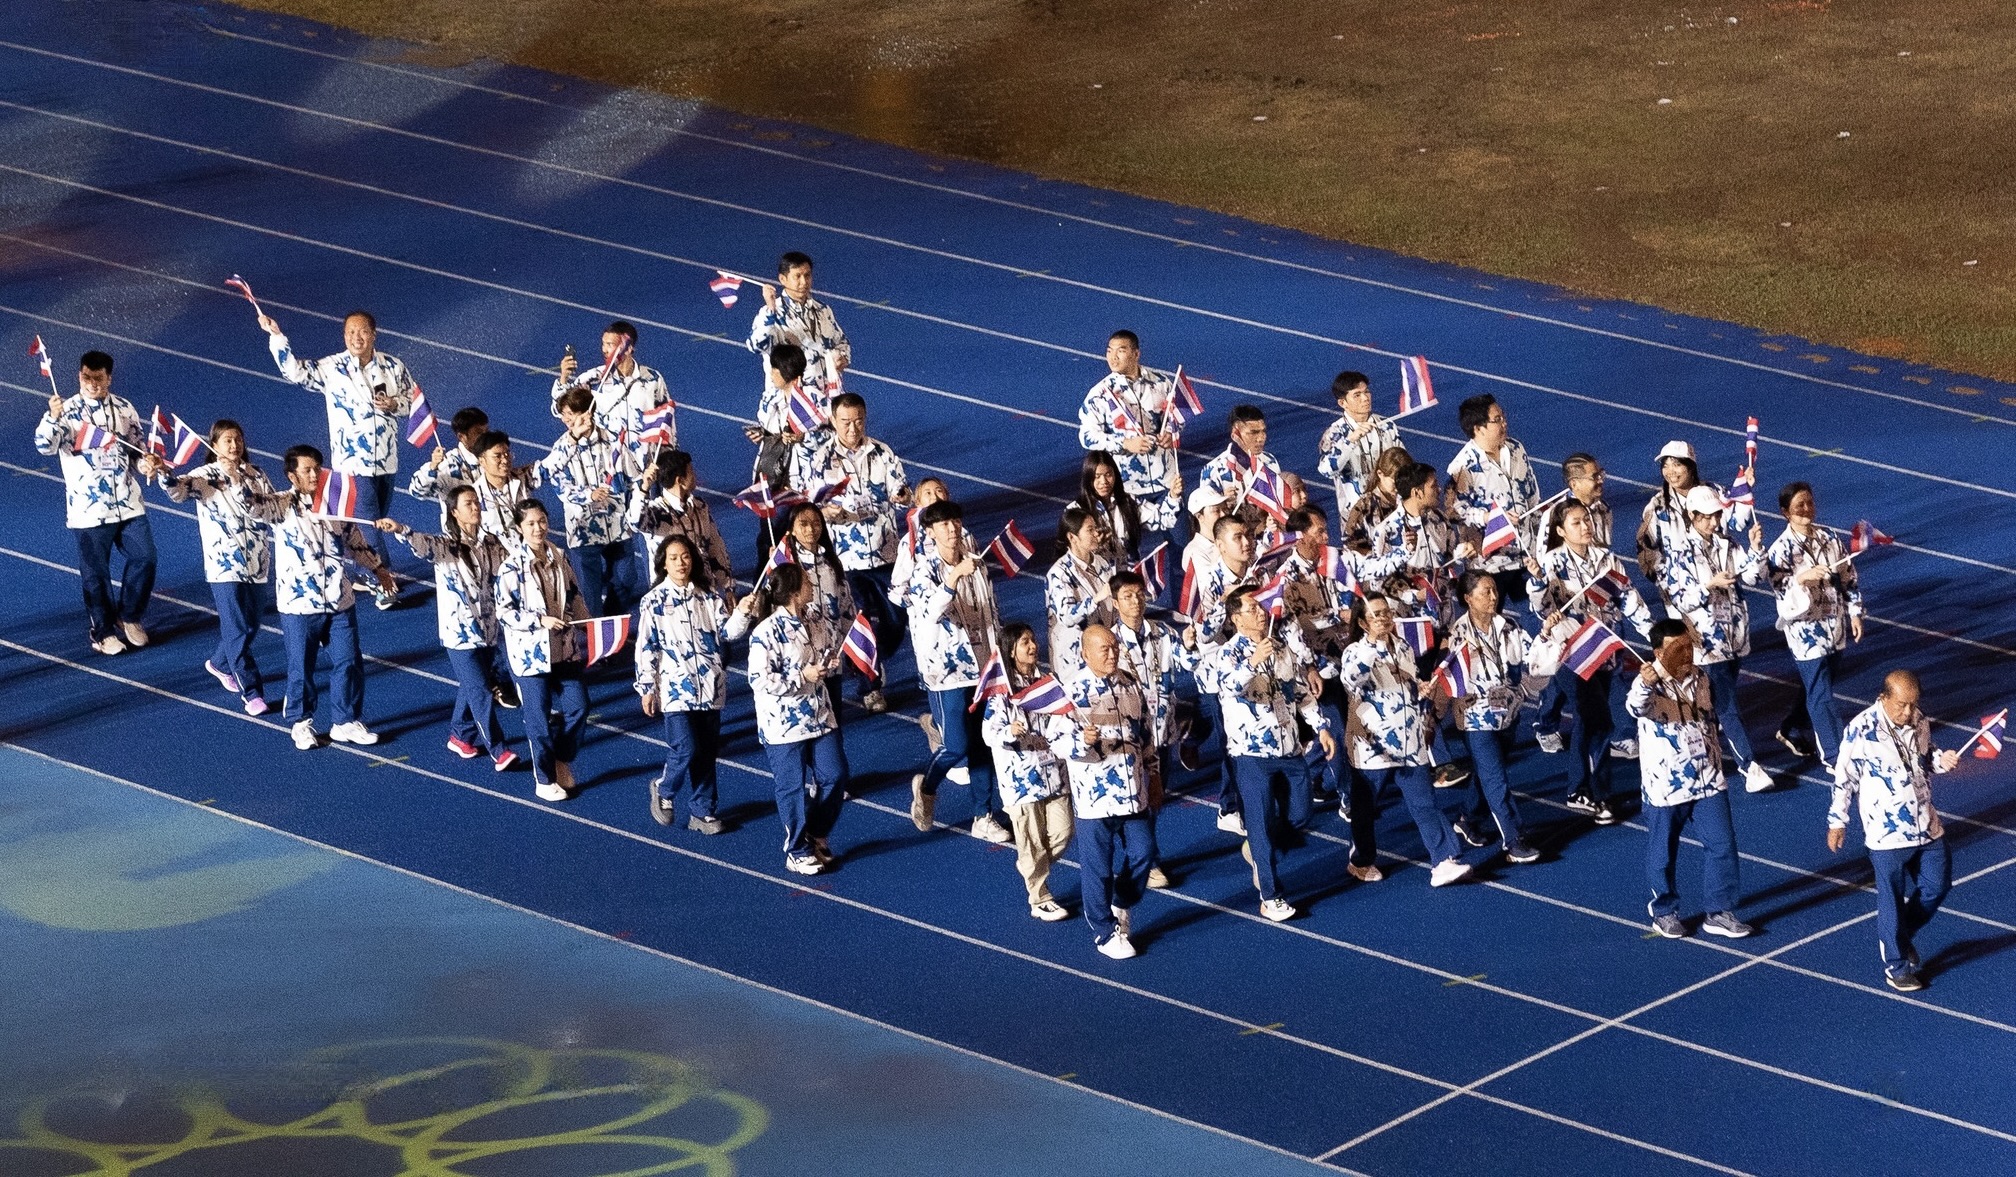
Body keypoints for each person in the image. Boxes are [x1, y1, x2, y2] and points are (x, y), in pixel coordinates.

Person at [1200, 586, 1337, 921]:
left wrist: (1320, 726)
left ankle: (1260, 851)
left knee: (1301, 815)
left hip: (1288, 748)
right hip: (1250, 753)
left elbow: (1299, 692)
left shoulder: (1281, 648)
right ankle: (1271, 895)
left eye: (1260, 606)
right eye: (1251, 608)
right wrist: (1252, 662)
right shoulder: (1226, 654)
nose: (1260, 612)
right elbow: (1226, 686)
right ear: (1235, 618)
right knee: (1260, 823)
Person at [247, 444, 394, 750]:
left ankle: (346, 721)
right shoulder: (282, 505)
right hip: (300, 605)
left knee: (349, 661)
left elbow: (354, 540)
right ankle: (301, 723)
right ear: (292, 475)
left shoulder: (335, 502)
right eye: (307, 470)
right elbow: (253, 506)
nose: (314, 474)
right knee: (302, 666)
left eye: (317, 468)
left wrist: (379, 568)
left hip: (340, 599)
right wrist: (238, 478)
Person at [259, 308, 412, 593]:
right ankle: (384, 581)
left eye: (363, 331)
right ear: (344, 336)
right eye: (351, 332)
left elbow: (412, 401)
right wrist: (276, 336)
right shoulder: (332, 368)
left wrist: (394, 405)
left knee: (372, 525)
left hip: (387, 462)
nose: (357, 337)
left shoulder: (393, 367)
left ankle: (362, 571)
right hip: (353, 465)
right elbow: (294, 372)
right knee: (370, 524)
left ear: (374, 334)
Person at [1827, 670, 1959, 991]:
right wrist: (1837, 820)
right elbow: (1845, 778)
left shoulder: (1919, 720)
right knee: (1891, 900)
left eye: (1914, 705)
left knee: (1937, 885)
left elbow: (1926, 759)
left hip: (1926, 824)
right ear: (1884, 697)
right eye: (1902, 705)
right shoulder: (1860, 730)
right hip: (1887, 834)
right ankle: (1896, 966)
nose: (1909, 713)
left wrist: (1944, 760)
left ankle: (1901, 935)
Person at [1524, 500, 1654, 822]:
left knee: (1588, 719)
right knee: (1599, 719)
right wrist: (1540, 582)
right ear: (1559, 531)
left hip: (1606, 651)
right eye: (1576, 523)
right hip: (1573, 652)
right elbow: (1540, 607)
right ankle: (1599, 793)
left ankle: (1578, 789)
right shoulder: (1550, 563)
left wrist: (1654, 634)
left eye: (1586, 520)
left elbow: (1630, 599)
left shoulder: (1607, 560)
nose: (1585, 527)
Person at [1336, 592, 1473, 887]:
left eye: (1386, 612)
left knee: (1425, 803)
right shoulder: (1355, 652)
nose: (1384, 618)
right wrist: (1374, 647)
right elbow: (1350, 680)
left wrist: (1418, 690)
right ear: (1362, 622)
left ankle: (1443, 861)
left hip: (1409, 740)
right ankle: (1360, 860)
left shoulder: (1403, 647)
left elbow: (1406, 684)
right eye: (1375, 614)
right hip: (1373, 746)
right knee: (1365, 807)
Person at [376, 486, 517, 771]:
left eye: (477, 502)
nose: (476, 507)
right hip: (461, 633)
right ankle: (499, 750)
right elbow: (421, 543)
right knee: (481, 691)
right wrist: (401, 529)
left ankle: (460, 735)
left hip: (489, 627)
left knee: (472, 685)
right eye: (468, 503)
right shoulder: (447, 546)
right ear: (454, 512)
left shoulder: (492, 543)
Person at [1629, 620, 1753, 941]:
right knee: (1663, 853)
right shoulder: (1648, 686)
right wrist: (1644, 683)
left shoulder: (1701, 677)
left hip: (1708, 778)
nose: (1686, 653)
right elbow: (1636, 706)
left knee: (1722, 844)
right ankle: (1665, 911)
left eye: (1688, 645)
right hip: (1666, 786)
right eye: (1677, 648)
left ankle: (1719, 911)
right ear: (1659, 653)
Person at [789, 391, 911, 710]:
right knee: (859, 624)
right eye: (845, 422)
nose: (853, 429)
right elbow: (806, 504)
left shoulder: (883, 453)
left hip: (885, 553)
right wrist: (822, 512)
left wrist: (903, 497)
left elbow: (901, 490)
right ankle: (870, 686)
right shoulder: (820, 460)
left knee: (896, 620)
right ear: (833, 421)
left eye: (858, 421)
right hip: (844, 559)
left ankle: (871, 658)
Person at [34, 349, 158, 654]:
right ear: (79, 375)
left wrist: (146, 463)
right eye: (87, 377)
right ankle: (102, 632)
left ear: (109, 378)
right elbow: (43, 446)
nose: (92, 384)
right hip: (89, 510)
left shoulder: (125, 409)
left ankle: (129, 616)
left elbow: (138, 450)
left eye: (98, 378)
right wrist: (51, 417)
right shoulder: (66, 411)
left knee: (146, 558)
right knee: (96, 575)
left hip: (128, 502)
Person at [902, 499, 1009, 843]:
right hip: (946, 670)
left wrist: (999, 653)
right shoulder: (924, 570)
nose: (951, 530)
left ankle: (983, 814)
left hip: (983, 665)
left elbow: (990, 608)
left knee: (983, 743)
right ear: (930, 533)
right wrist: (951, 579)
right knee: (957, 744)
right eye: (943, 525)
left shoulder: (975, 563)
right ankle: (928, 786)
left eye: (955, 523)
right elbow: (932, 611)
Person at [733, 563, 848, 875]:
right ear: (796, 591)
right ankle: (797, 850)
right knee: (792, 787)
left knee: (835, 774)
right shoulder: (765, 632)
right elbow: (758, 680)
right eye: (807, 582)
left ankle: (816, 832)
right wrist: (802, 675)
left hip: (820, 714)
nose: (812, 585)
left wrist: (826, 663)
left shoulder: (815, 621)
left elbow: (821, 654)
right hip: (783, 724)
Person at [1659, 485, 1773, 794]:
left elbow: (1752, 577)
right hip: (1706, 640)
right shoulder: (1680, 554)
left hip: (1735, 635)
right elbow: (1679, 598)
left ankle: (1697, 751)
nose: (1713, 523)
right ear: (1693, 517)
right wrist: (1709, 585)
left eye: (1716, 516)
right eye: (1707, 518)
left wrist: (1755, 550)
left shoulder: (1728, 543)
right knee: (1726, 705)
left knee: (1715, 704)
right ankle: (1749, 767)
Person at [156, 419, 272, 712]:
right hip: (224, 565)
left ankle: (220, 663)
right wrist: (164, 473)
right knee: (236, 627)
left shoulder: (256, 474)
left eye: (238, 440)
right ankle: (252, 692)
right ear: (215, 445)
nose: (234, 446)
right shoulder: (204, 476)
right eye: (228, 441)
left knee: (250, 625)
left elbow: (270, 507)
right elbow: (177, 490)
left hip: (257, 562)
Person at [1058, 624, 1158, 959]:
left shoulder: (1130, 684)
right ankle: (1103, 932)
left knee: (1144, 852)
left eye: (1114, 646)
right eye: (1104, 648)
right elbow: (1055, 740)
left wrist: (1154, 773)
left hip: (1133, 792)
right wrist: (1078, 741)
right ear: (1085, 653)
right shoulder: (1070, 691)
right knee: (1098, 868)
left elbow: (1145, 732)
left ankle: (1122, 902)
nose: (1112, 653)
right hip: (1095, 798)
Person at [1439, 571, 1546, 864]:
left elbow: (1531, 655)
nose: (1493, 597)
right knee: (1497, 780)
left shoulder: (1508, 626)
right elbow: (1447, 676)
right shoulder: (1456, 636)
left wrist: (1546, 636)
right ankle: (1513, 841)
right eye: (1485, 592)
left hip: (1508, 714)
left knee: (1487, 774)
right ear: (1467, 599)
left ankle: (1467, 818)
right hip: (1476, 719)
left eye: (1494, 591)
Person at [634, 535, 733, 835]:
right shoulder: (653, 601)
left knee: (706, 751)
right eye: (674, 557)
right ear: (663, 563)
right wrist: (647, 687)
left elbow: (727, 632)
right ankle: (664, 788)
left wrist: (743, 613)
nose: (681, 562)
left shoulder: (709, 596)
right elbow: (646, 646)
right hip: (676, 688)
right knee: (686, 747)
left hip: (710, 685)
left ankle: (703, 812)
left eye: (686, 556)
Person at [494, 500, 590, 802]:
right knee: (538, 720)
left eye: (542, 521)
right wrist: (538, 621)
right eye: (531, 524)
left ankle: (562, 757)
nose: (538, 528)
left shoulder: (560, 556)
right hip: (530, 655)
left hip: (564, 649)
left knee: (579, 705)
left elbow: (574, 594)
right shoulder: (510, 567)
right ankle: (545, 778)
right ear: (520, 528)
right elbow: (504, 612)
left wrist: (588, 622)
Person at [1766, 481, 1863, 769]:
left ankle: (1791, 728)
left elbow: (1848, 578)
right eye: (1798, 506)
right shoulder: (1780, 551)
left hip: (1834, 626)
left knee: (1818, 687)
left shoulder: (1830, 538)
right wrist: (1800, 579)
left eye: (1809, 502)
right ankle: (1835, 756)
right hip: (1805, 634)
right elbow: (1780, 593)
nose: (1806, 509)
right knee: (1822, 695)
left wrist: (1855, 612)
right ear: (1786, 513)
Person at [982, 623, 1075, 921]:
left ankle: (1030, 864)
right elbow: (988, 733)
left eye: (1033, 640)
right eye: (1025, 642)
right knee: (1032, 839)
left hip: (1052, 770)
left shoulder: (1048, 682)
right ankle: (1039, 897)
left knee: (1063, 831)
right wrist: (1008, 730)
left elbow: (1063, 715)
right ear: (1011, 650)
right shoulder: (1000, 692)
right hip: (1021, 780)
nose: (1033, 646)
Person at [1077, 330, 1183, 578]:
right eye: (1109, 351)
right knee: (1127, 559)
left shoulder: (1161, 383)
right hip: (1127, 489)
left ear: (1136, 353)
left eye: (1120, 350)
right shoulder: (1100, 394)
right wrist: (1125, 443)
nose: (1113, 357)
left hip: (1167, 482)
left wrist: (1171, 431)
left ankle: (1183, 612)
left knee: (1181, 551)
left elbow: (1176, 419)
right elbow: (1087, 437)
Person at [1108, 569, 1190, 889]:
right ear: (1115, 603)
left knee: (1155, 796)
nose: (1136, 601)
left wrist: (1192, 644)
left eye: (1140, 594)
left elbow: (1186, 663)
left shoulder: (1163, 633)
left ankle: (1145, 853)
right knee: (1134, 799)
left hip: (1162, 730)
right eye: (1127, 596)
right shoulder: (1110, 642)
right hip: (1129, 738)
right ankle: (1142, 856)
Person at [540, 386, 647, 616]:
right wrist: (589, 495)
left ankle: (611, 618)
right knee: (589, 592)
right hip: (583, 531)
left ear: (587, 412)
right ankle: (598, 639)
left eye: (569, 414)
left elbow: (634, 476)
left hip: (618, 526)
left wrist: (638, 493)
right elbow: (559, 486)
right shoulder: (562, 448)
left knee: (626, 579)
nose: (565, 420)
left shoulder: (613, 442)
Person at [1445, 395, 1539, 604]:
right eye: (1497, 420)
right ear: (1478, 428)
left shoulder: (1516, 449)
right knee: (1491, 617)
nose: (1504, 423)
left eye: (1503, 417)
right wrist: (1489, 517)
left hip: (1527, 551)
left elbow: (1531, 492)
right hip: (1491, 563)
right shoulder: (1462, 467)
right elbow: (1453, 510)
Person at [777, 504, 858, 728]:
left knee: (833, 719)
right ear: (791, 529)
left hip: (830, 653)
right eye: (803, 524)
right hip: (801, 657)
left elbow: (845, 605)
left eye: (816, 523)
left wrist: (849, 643)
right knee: (806, 720)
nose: (811, 529)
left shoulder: (831, 562)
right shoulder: (785, 565)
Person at [1369, 461, 1476, 621]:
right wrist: (1414, 595)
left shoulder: (1439, 518)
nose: (1439, 490)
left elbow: (1450, 553)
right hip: (1412, 620)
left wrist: (1463, 551)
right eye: (1434, 486)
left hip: (1444, 614)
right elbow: (1379, 581)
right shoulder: (1386, 531)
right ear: (1417, 493)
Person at [747, 251, 850, 399]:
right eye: (797, 276)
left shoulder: (823, 310)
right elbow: (756, 346)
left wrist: (842, 357)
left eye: (807, 275)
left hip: (825, 396)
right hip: (790, 400)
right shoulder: (771, 313)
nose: (804, 282)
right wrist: (770, 309)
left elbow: (842, 342)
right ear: (783, 279)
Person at [634, 449, 735, 595]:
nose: (695, 476)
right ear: (680, 480)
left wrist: (728, 586)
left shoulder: (700, 507)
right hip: (671, 598)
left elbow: (716, 547)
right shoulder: (655, 514)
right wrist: (644, 488)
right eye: (691, 472)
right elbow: (635, 521)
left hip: (704, 590)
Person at [552, 320, 674, 439]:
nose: (604, 350)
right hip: (608, 456)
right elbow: (559, 410)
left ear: (628, 348)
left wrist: (671, 453)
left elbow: (667, 418)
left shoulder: (652, 378)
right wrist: (563, 378)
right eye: (603, 344)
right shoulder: (592, 379)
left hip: (643, 455)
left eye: (610, 345)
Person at [1636, 440, 1725, 584]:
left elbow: (1737, 522)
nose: (1670, 472)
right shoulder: (1657, 507)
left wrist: (1746, 488)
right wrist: (1668, 583)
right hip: (1684, 592)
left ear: (1690, 467)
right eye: (1665, 466)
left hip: (1721, 581)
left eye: (1677, 465)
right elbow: (1646, 549)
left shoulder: (1716, 492)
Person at [1046, 506, 1118, 680]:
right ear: (1072, 537)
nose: (1096, 534)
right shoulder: (1059, 573)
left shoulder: (1102, 562)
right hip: (1075, 658)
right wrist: (1096, 599)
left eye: (1096, 528)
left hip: (1105, 649)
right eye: (1090, 530)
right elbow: (1067, 616)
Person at [1317, 370, 1400, 517]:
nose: (1365, 398)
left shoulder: (1386, 426)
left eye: (1366, 392)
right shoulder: (1334, 433)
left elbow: (1402, 463)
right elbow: (1326, 470)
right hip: (1355, 515)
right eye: (1357, 395)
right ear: (1343, 403)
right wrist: (1350, 440)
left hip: (1391, 509)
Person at [1200, 405, 1286, 534]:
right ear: (1235, 434)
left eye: (1263, 431)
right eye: (1254, 432)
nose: (1261, 438)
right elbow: (1206, 517)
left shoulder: (1269, 461)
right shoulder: (1213, 470)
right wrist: (1223, 502)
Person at [407, 406, 492, 529]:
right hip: (461, 535)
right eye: (479, 433)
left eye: (486, 431)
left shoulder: (493, 456)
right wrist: (432, 467)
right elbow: (416, 491)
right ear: (461, 437)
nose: (485, 437)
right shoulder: (446, 465)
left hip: (492, 531)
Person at [1341, 445, 1411, 556]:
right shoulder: (1365, 506)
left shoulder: (1409, 497)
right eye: (1394, 481)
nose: (1400, 486)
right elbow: (1349, 545)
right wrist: (1378, 559)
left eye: (1404, 481)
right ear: (1380, 474)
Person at [1075, 452, 1143, 566]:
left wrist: (1173, 496)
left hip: (1128, 577)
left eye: (1108, 475)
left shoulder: (1129, 502)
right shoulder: (1076, 511)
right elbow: (1072, 553)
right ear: (1088, 478)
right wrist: (1094, 545)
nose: (1104, 482)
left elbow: (1163, 519)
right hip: (1097, 578)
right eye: (1097, 476)